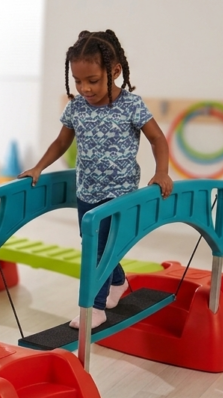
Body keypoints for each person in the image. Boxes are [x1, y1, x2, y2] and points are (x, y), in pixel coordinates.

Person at [19, 30, 173, 330]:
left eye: (92, 81)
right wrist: (38, 167)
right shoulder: (76, 107)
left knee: (98, 249)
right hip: (87, 190)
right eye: (78, 81)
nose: (84, 88)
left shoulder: (131, 105)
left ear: (114, 72)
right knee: (95, 243)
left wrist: (162, 171)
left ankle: (95, 308)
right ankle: (118, 282)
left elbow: (157, 139)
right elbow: (61, 142)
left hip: (120, 193)